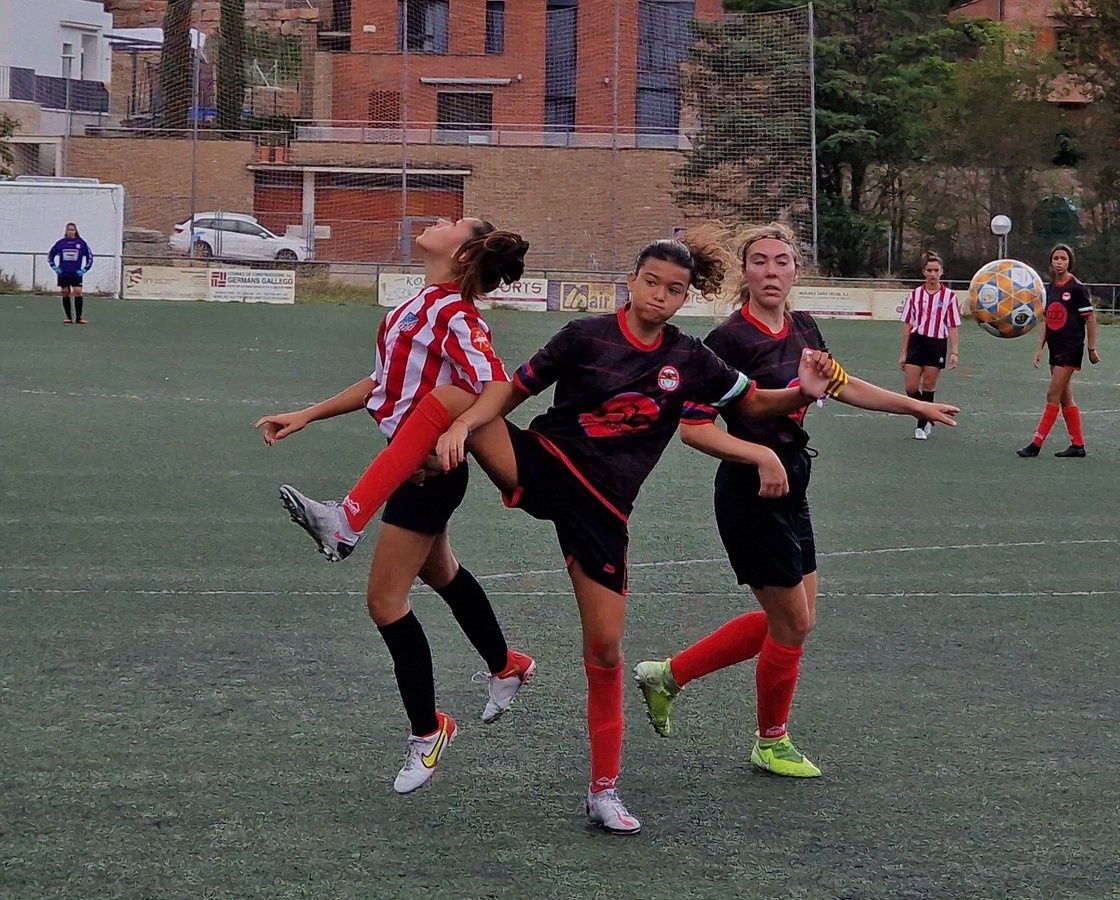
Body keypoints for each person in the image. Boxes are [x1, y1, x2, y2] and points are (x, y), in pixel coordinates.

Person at [276, 231, 958, 834]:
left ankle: (604, 792)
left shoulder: (693, 359)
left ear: (686, 296)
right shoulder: (584, 337)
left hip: (603, 510)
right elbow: (507, 392)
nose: (660, 296)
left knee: (604, 651)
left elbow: (752, 403)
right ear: (631, 281)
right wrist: (458, 428)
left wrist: (803, 393)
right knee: (454, 400)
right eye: (652, 282)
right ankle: (348, 520)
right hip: (543, 466)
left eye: (675, 289)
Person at [633, 224, 960, 779]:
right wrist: (759, 458)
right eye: (759, 262)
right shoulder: (729, 341)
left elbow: (840, 384)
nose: (771, 271)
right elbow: (694, 428)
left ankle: (668, 676)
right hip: (750, 490)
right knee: (791, 623)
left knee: (797, 621)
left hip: (794, 482)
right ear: (746, 272)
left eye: (781, 262)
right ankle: (770, 741)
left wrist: (915, 407)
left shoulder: (803, 326)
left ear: (794, 272)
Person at [255, 217, 536, 796]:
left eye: (452, 223)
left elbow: (497, 387)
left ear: (462, 255)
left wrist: (456, 429)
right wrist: (306, 414)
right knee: (442, 572)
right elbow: (383, 382)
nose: (439, 221)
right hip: (408, 462)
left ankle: (428, 731)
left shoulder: (456, 313)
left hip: (428, 474)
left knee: (386, 604)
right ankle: (507, 664)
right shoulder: (422, 303)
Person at [1017, 244, 1100, 458]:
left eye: (1063, 258)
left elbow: (1090, 319)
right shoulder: (1049, 289)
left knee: (1052, 395)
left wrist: (1091, 348)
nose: (1059, 262)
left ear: (1069, 261)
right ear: (1051, 262)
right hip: (1055, 349)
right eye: (1056, 258)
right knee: (1065, 398)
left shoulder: (1077, 288)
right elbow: (1047, 321)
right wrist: (1039, 349)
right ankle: (1078, 445)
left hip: (1071, 349)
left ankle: (1035, 444)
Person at [898, 251, 960, 440]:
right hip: (917, 342)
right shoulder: (915, 295)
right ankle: (929, 412)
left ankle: (922, 425)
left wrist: (954, 351)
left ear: (942, 272)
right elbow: (908, 324)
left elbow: (952, 325)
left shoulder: (949, 296)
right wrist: (904, 351)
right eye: (929, 270)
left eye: (936, 270)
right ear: (923, 272)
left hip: (936, 343)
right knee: (910, 388)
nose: (933, 274)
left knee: (928, 385)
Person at [48, 223, 93, 325]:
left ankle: (79, 317)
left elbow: (89, 257)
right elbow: (51, 255)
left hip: (76, 273)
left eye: (72, 229)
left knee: (77, 291)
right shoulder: (61, 243)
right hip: (63, 273)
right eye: (68, 229)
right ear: (66, 231)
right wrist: (54, 267)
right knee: (65, 292)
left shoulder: (81, 243)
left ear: (76, 231)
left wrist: (85, 269)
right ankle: (68, 317)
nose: (70, 231)